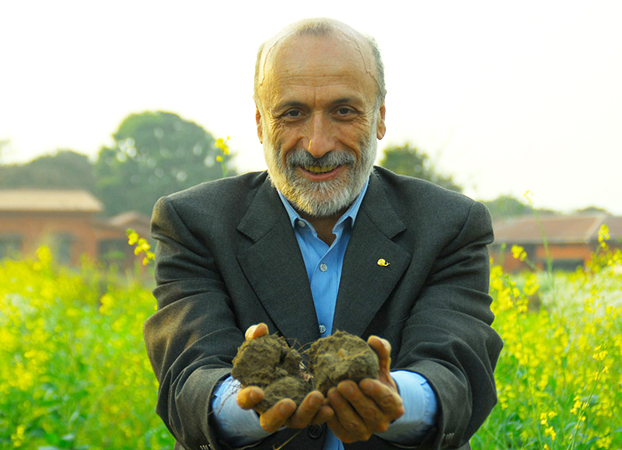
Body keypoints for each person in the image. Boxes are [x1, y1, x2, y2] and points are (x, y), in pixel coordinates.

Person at [144, 18, 503, 450]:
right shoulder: (192, 224)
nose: (317, 144)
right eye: (292, 113)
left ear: (380, 118)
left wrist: (397, 400)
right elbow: (189, 374)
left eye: (344, 111)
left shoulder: (449, 225)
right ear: (260, 123)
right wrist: (249, 403)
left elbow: (457, 370)